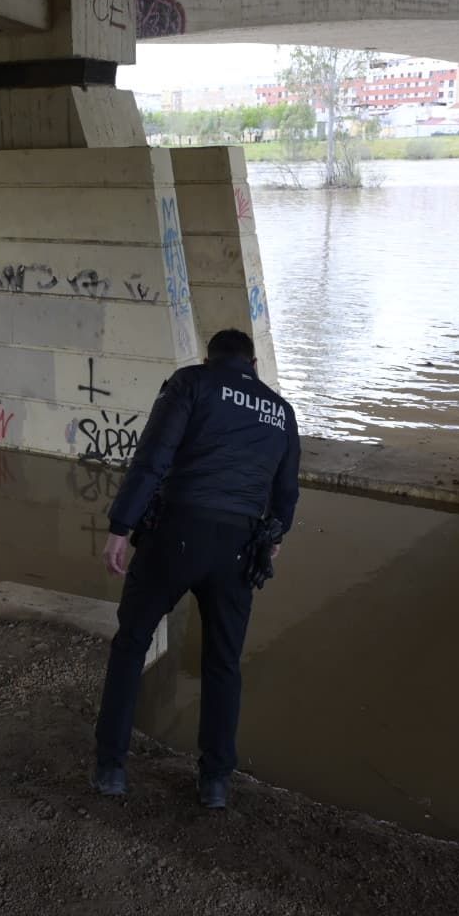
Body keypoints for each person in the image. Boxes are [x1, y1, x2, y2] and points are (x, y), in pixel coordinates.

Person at [92, 328, 301, 809]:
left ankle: (111, 769)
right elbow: (286, 492)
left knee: (131, 645)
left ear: (210, 357)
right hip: (238, 547)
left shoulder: (191, 383)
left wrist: (121, 526)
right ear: (251, 364)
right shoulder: (280, 411)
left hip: (176, 534)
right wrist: (273, 538)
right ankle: (214, 782)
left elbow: (153, 457)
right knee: (223, 663)